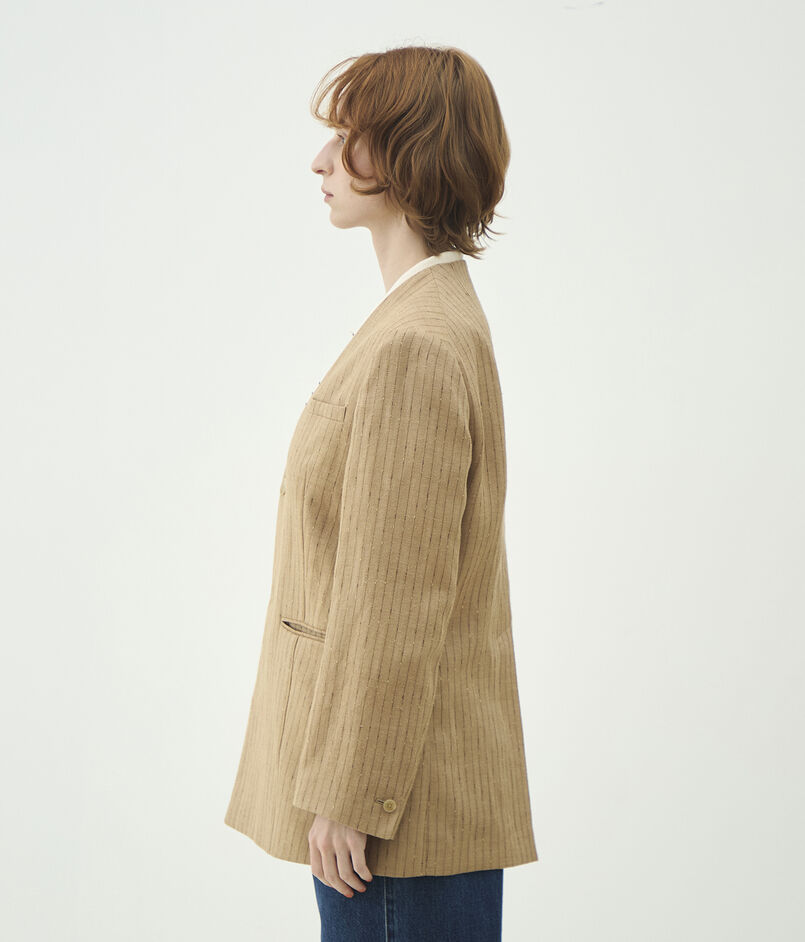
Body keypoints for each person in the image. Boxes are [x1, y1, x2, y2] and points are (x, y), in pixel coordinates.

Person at [224, 44, 538, 942]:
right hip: (408, 794)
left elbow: (395, 594)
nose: (320, 160)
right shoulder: (430, 320)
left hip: (394, 817)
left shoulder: (413, 344)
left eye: (348, 137)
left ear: (407, 154)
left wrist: (352, 792)